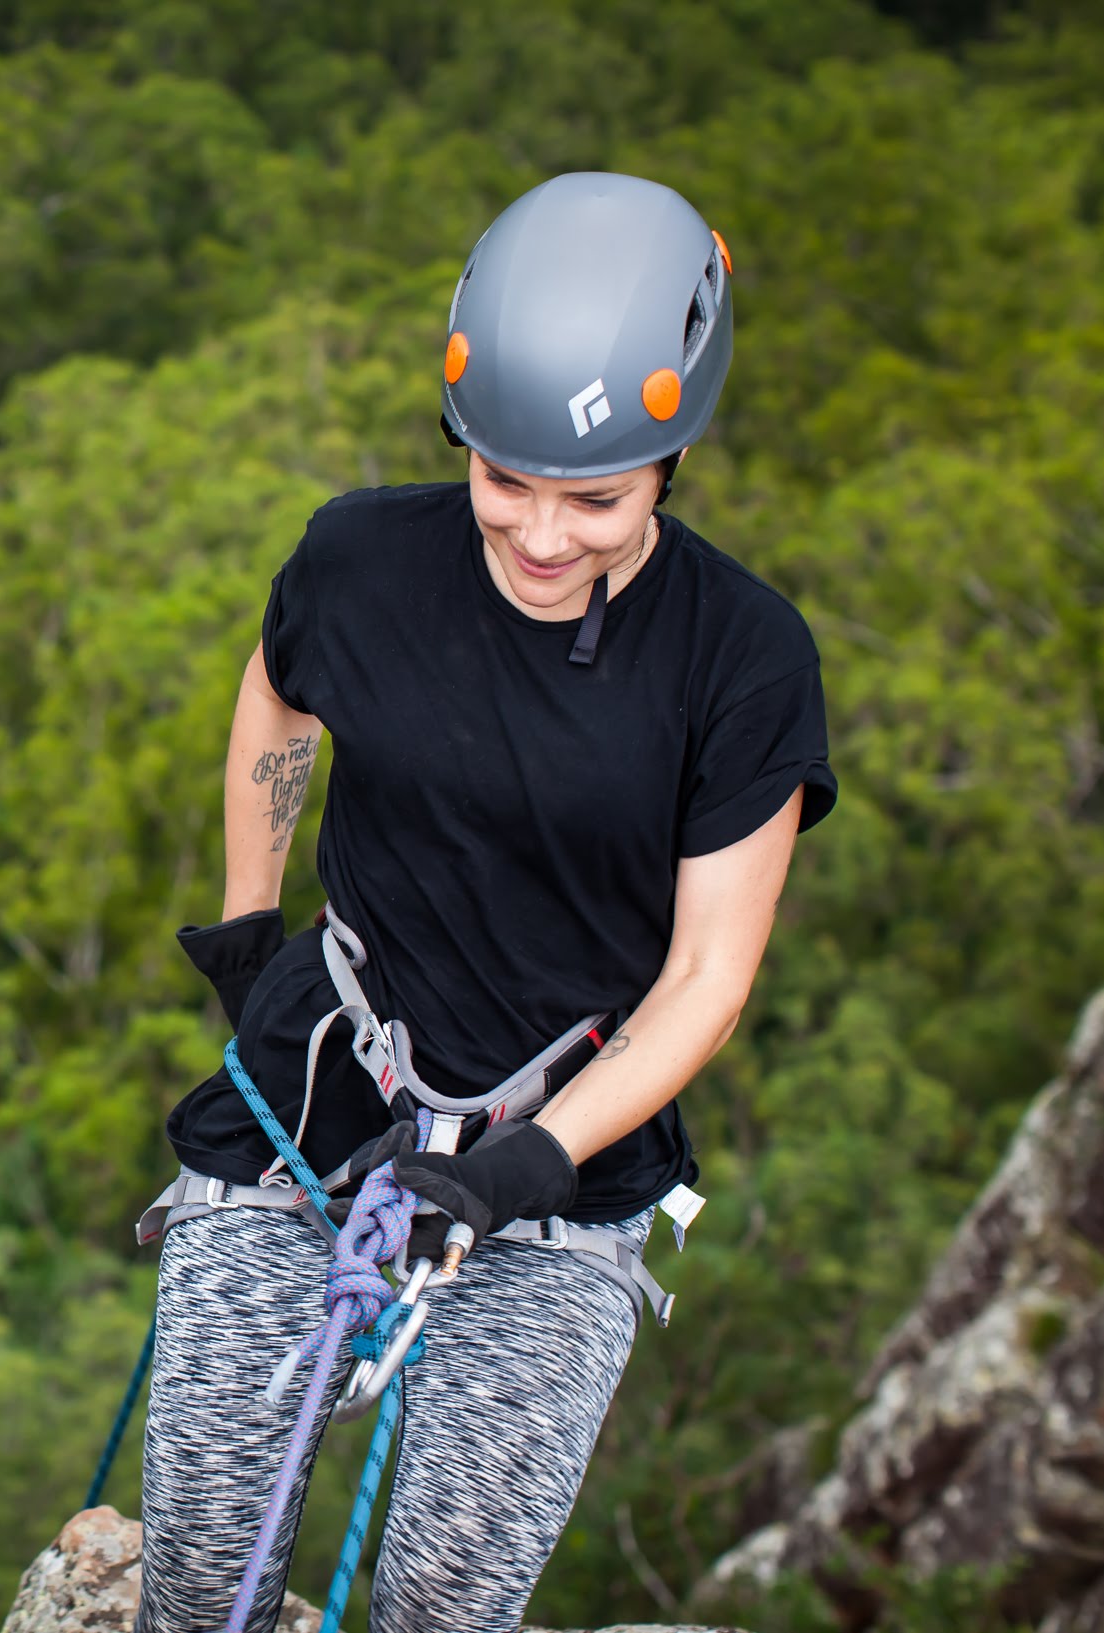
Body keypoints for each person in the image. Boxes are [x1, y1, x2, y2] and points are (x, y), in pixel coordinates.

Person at [135, 172, 836, 1633]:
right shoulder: (361, 558)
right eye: (500, 478)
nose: (535, 534)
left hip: (562, 1167)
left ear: (672, 457)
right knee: (203, 1566)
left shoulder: (740, 660)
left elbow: (707, 973)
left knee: (447, 1603)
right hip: (314, 1090)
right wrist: (247, 914)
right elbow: (280, 689)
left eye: (592, 497)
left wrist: (530, 1164)